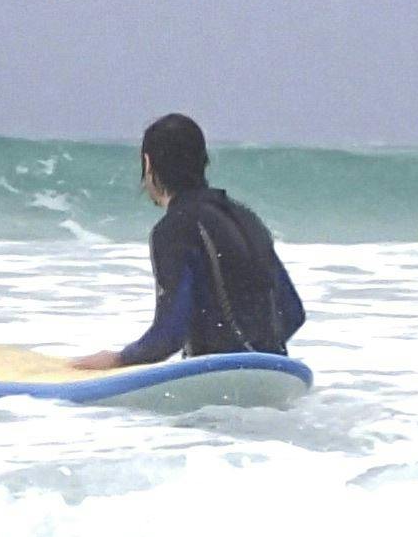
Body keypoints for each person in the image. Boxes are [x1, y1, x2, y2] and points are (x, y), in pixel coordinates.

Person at [67, 113, 303, 371]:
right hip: (278, 373)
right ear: (203, 162)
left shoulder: (174, 228)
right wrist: (256, 357)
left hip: (219, 381)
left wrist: (117, 359)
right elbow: (292, 313)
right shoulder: (246, 218)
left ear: (148, 163)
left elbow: (169, 336)